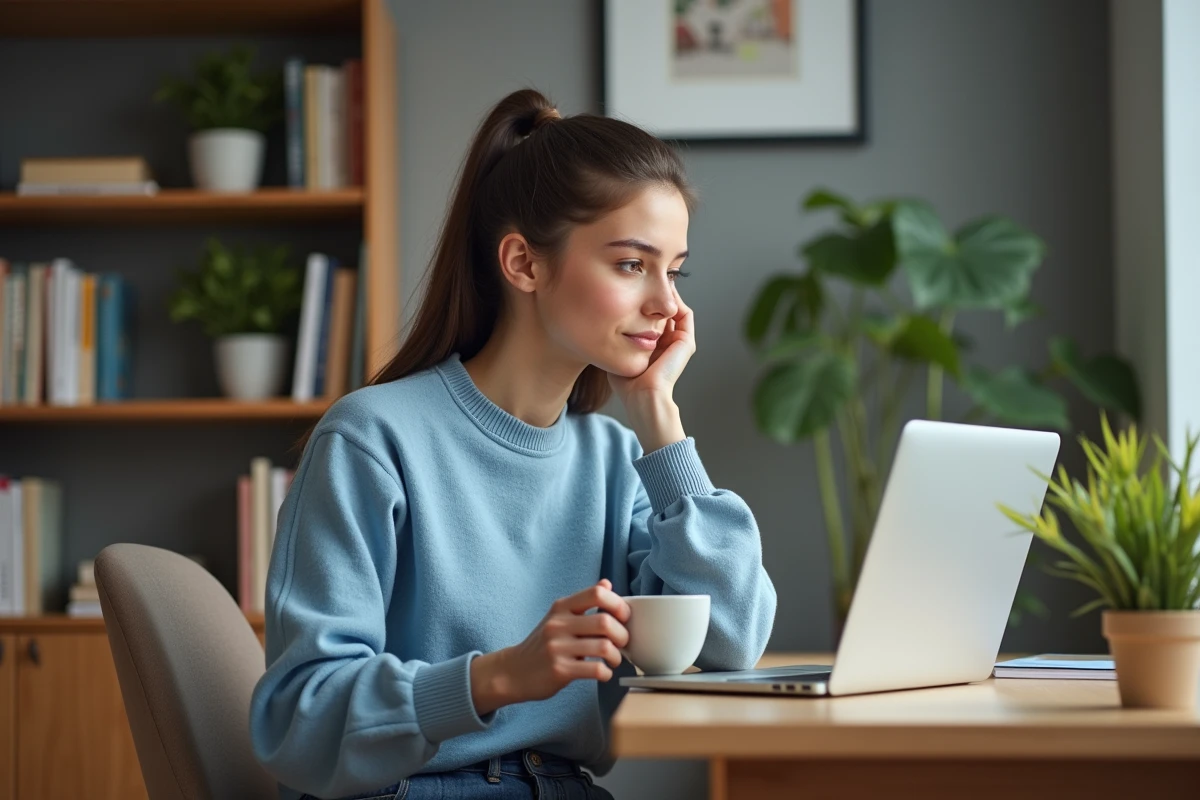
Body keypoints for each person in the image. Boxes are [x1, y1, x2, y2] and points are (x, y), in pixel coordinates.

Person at [249, 87, 777, 800]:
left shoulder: (614, 461)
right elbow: (298, 719)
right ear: (524, 263)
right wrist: (496, 677)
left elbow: (730, 640)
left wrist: (659, 418)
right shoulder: (372, 438)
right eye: (632, 264)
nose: (668, 306)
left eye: (674, 271)